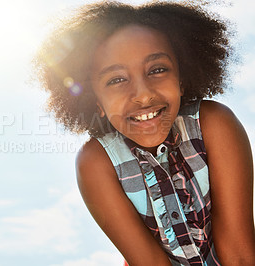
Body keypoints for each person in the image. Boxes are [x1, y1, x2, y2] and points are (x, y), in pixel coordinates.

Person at [33, 1, 255, 265]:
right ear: (96, 102)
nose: (143, 94)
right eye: (116, 80)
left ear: (181, 80)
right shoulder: (96, 162)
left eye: (157, 70)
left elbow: (240, 254)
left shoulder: (214, 123)